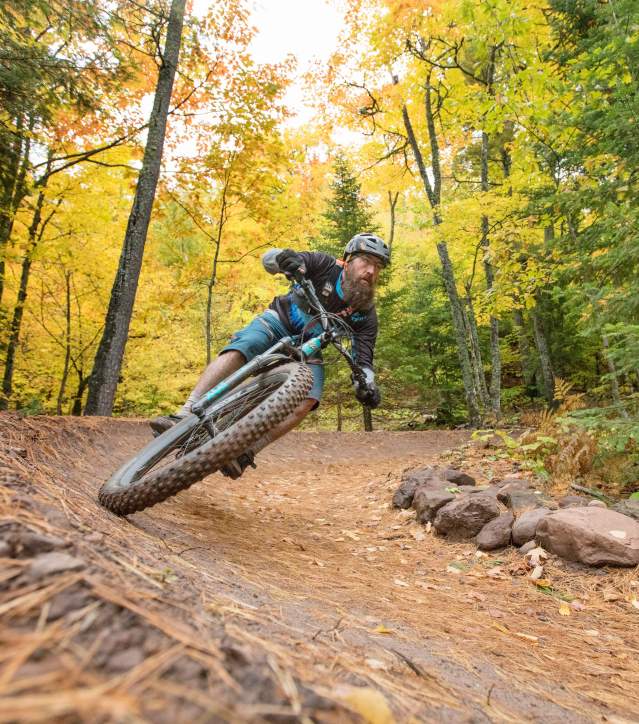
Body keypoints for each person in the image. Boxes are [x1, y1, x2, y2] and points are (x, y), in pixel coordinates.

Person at [150, 232, 390, 478]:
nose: (371, 271)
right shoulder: (324, 265)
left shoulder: (366, 315)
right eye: (365, 261)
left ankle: (246, 452)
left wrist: (366, 385)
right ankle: (185, 412)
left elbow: (364, 361)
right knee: (247, 344)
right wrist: (283, 259)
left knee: (309, 398)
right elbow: (270, 260)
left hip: (309, 347)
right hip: (278, 321)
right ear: (348, 261)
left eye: (377, 266)